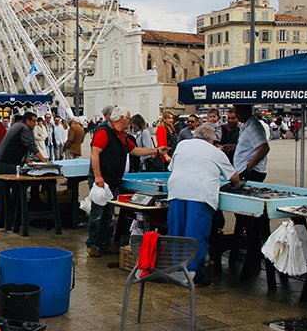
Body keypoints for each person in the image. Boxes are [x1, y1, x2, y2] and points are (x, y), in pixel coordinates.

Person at [87, 106, 167, 257]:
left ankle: (104, 243)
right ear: (122, 118)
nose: (130, 122)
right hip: (101, 179)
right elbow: (94, 154)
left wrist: (156, 150)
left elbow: (135, 150)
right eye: (129, 119)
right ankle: (93, 244)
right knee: (98, 213)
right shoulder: (104, 132)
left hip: (112, 180)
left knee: (108, 213)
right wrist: (98, 177)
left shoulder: (122, 136)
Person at [167, 125, 242, 286]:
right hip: (200, 195)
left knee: (177, 233)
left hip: (177, 191)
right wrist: (238, 184)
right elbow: (233, 176)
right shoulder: (216, 152)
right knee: (196, 236)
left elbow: (171, 167)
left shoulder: (182, 145)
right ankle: (193, 276)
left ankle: (176, 271)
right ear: (212, 139)